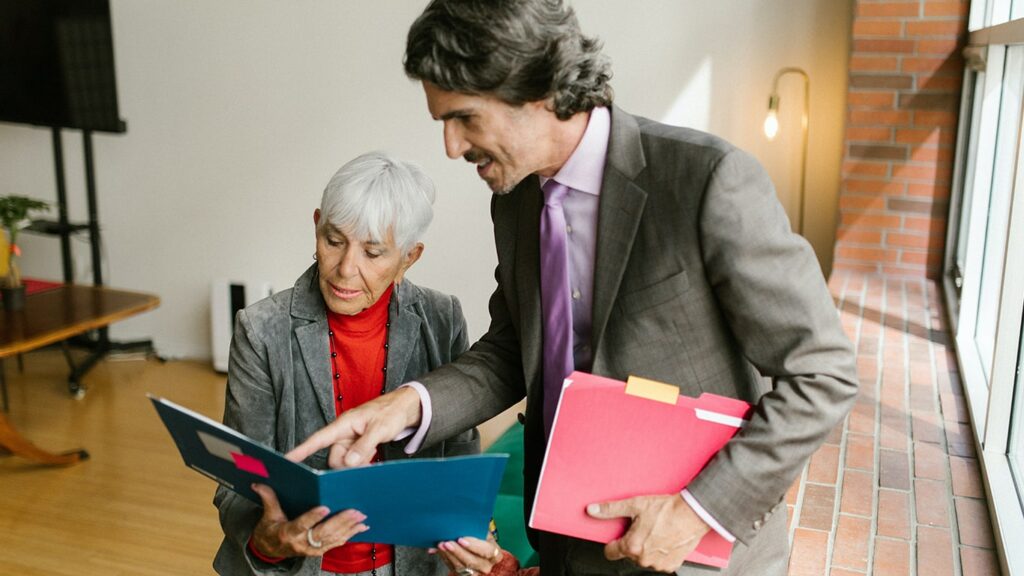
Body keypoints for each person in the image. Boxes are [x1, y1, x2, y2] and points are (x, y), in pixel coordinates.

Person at [289, 2, 859, 575]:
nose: (451, 147)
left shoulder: (706, 180)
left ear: (535, 88)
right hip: (565, 546)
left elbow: (824, 375)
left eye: (463, 118)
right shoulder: (514, 202)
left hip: (693, 555)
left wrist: (695, 512)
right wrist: (404, 406)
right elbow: (513, 349)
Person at [213, 151, 512, 576]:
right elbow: (236, 479)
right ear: (316, 224)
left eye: (373, 252)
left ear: (409, 257)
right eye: (334, 240)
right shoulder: (261, 329)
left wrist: (476, 533)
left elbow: (460, 457)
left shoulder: (442, 318)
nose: (345, 269)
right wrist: (269, 542)